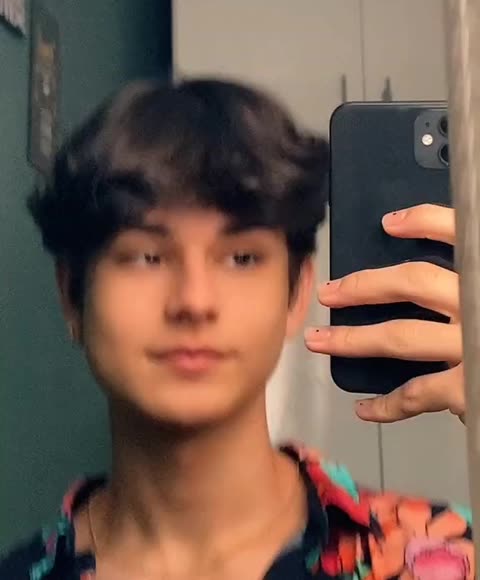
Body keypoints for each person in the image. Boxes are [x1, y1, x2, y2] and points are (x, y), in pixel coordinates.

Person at [0, 77, 472, 580]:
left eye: (241, 258)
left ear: (297, 292)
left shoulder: (439, 558)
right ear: (71, 294)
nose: (194, 302)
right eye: (146, 257)